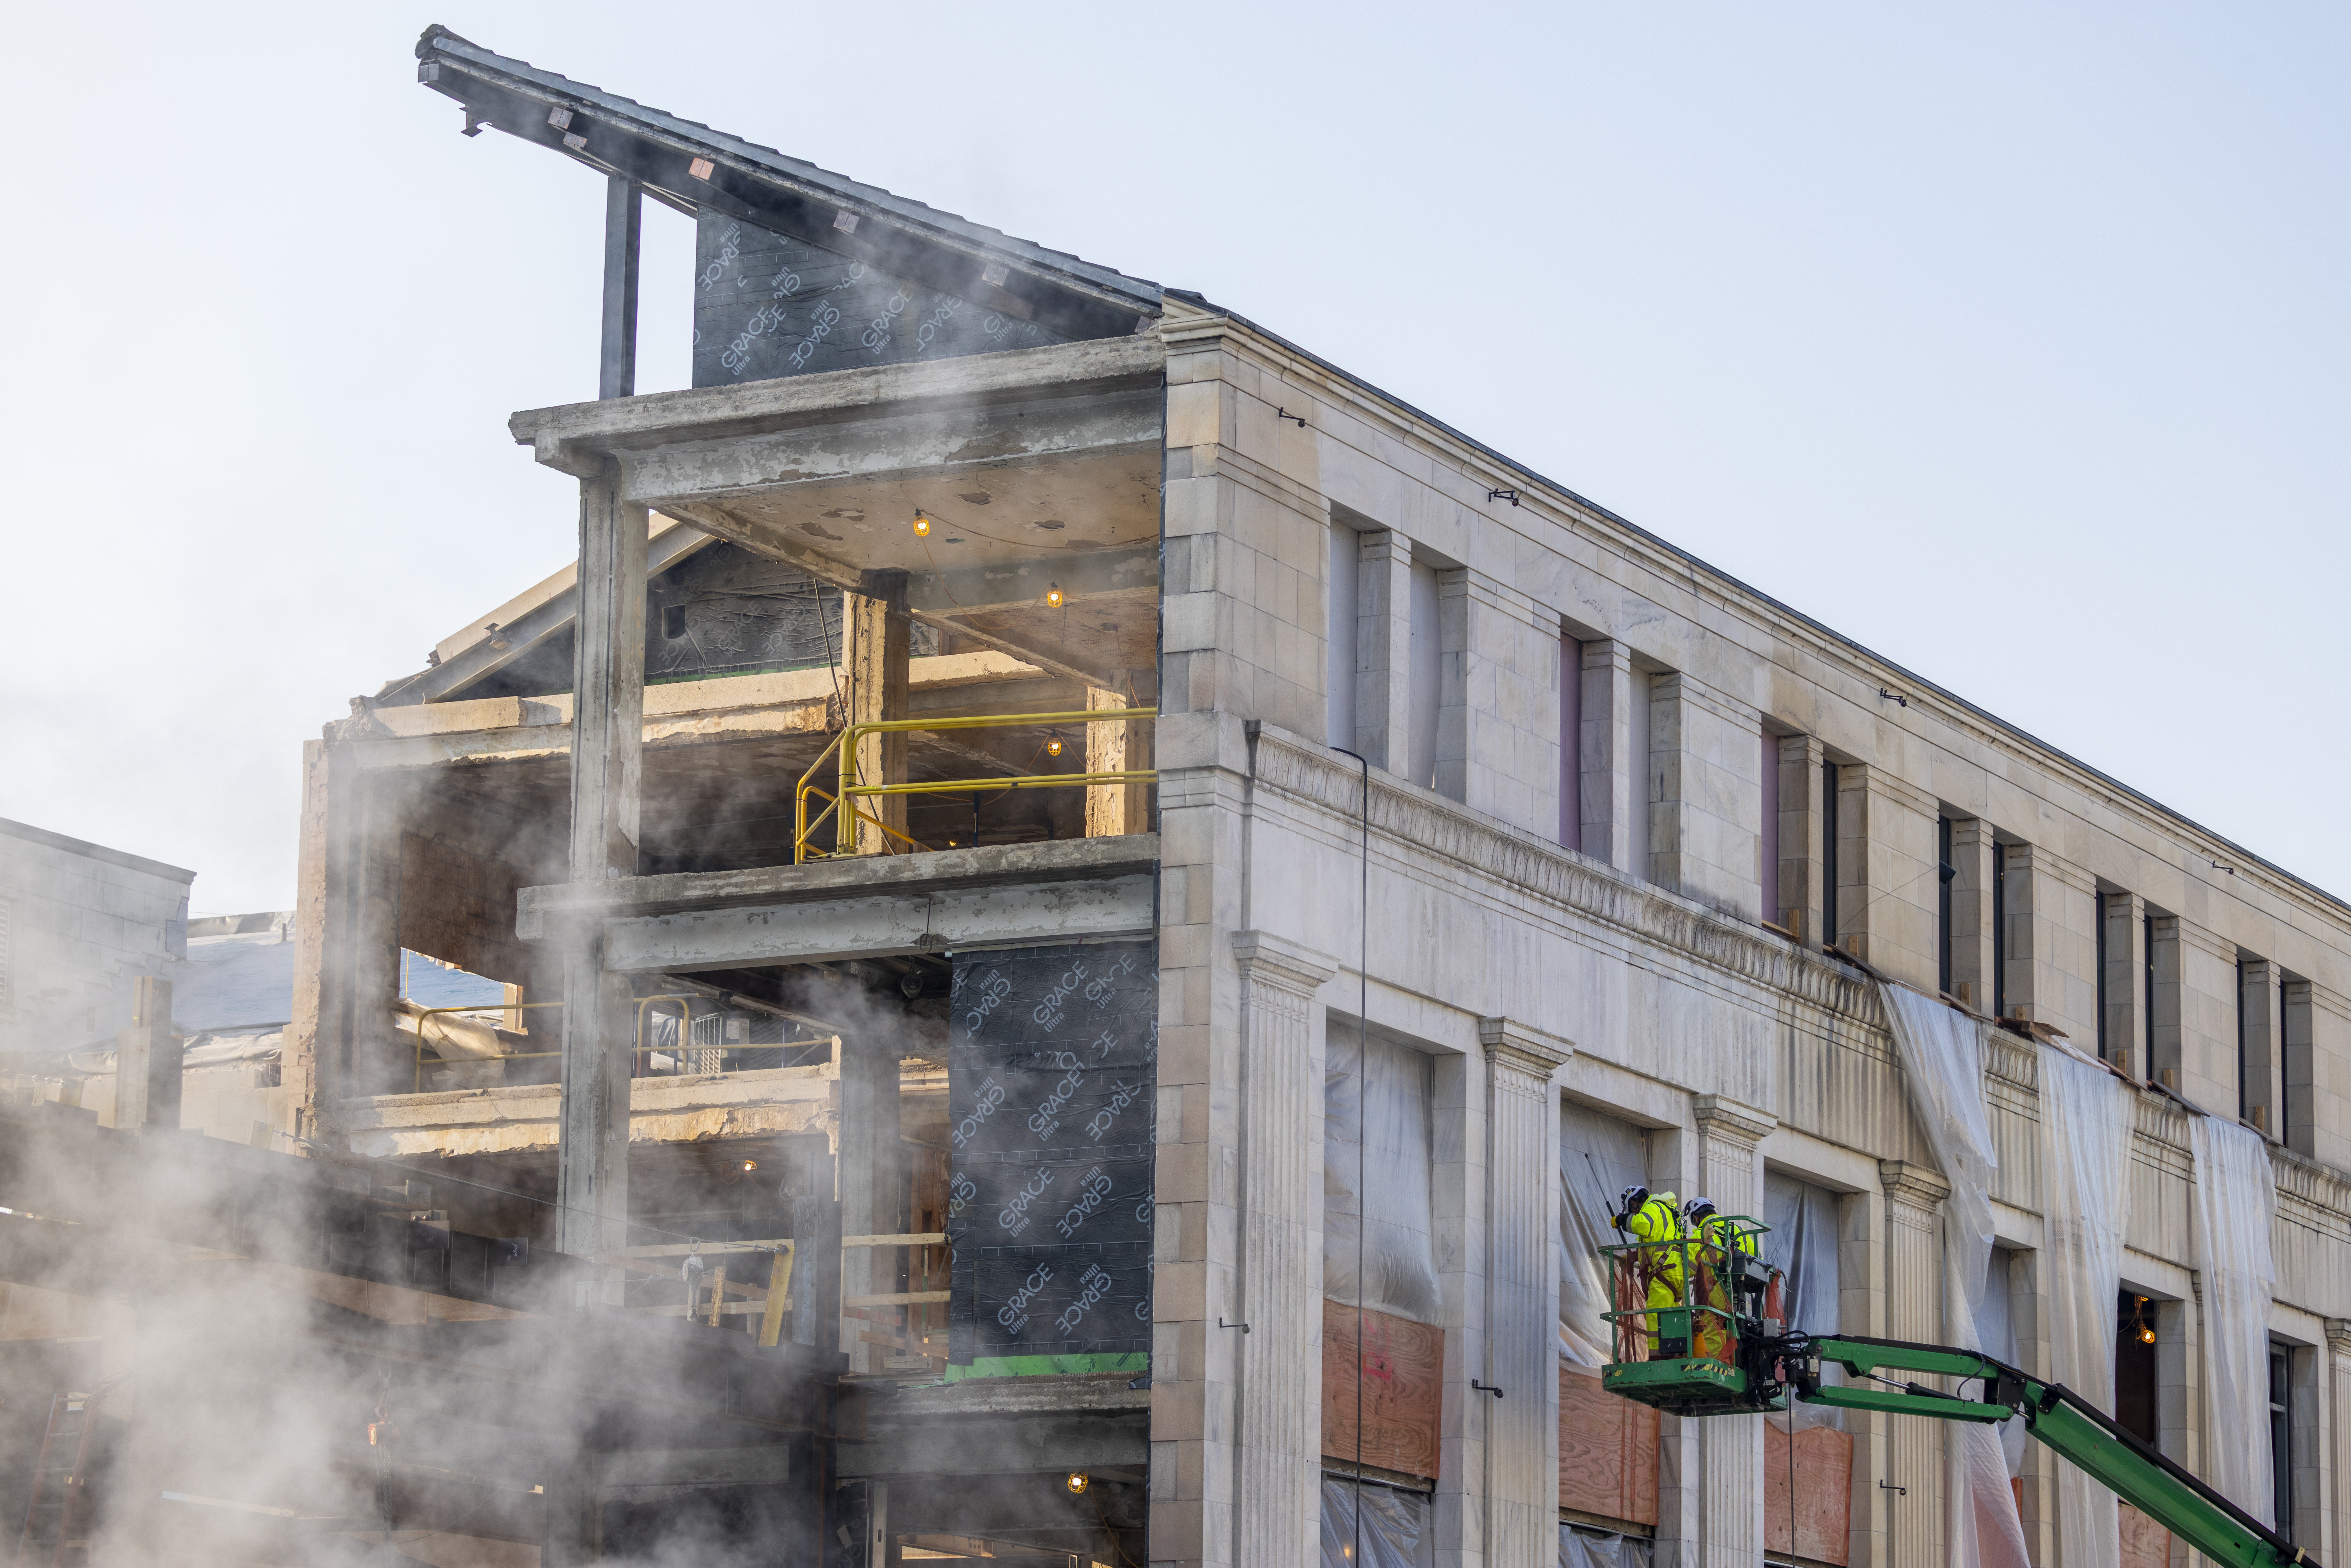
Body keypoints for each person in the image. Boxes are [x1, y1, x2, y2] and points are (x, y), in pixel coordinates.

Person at [1612, 1186, 1687, 1357]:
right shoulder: (1666, 1211)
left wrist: (1623, 1220)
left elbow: (1643, 1226)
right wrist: (1634, 1255)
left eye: (1632, 1210)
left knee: (1656, 1316)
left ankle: (1658, 1359)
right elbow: (1656, 1244)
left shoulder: (1653, 1207)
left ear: (1633, 1203)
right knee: (1671, 1316)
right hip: (1672, 1270)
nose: (1634, 1213)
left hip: (1664, 1271)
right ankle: (1674, 1355)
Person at [1683, 1198, 1760, 1362]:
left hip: (1717, 1291)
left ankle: (1716, 1364)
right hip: (1740, 1293)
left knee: (1709, 1325)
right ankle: (1733, 1362)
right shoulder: (1739, 1231)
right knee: (1731, 1328)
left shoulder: (1704, 1232)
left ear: (1696, 1218)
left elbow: (1688, 1269)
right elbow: (1758, 1261)